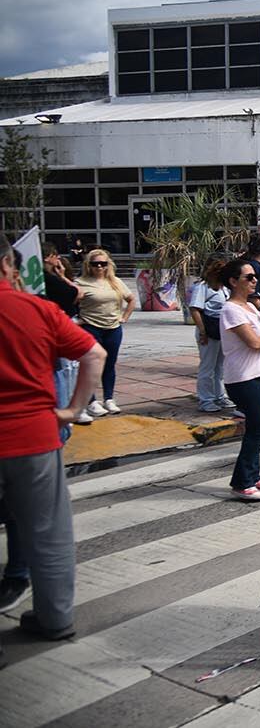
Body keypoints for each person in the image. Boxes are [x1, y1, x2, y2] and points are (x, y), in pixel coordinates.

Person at [0, 233, 107, 645]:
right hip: (34, 437)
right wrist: (72, 409)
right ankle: (55, 617)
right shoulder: (37, 309)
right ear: (9, 266)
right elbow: (94, 354)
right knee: (47, 533)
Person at [218, 259, 260, 501]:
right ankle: (241, 480)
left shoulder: (252, 308)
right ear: (233, 282)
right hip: (244, 378)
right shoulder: (230, 310)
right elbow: (254, 343)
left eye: (255, 276)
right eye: (248, 277)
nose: (254, 280)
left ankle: (253, 475)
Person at [75, 248, 135, 420]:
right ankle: (92, 400)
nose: (99, 267)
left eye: (103, 263)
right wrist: (77, 320)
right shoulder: (81, 282)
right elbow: (71, 302)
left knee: (110, 364)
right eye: (95, 264)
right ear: (89, 265)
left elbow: (130, 299)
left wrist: (124, 317)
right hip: (91, 327)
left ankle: (109, 398)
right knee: (90, 365)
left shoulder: (115, 281)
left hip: (113, 328)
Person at [189, 255, 237, 414]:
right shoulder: (202, 287)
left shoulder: (224, 288)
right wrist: (203, 331)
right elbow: (195, 309)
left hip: (222, 329)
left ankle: (219, 395)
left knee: (220, 366)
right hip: (209, 329)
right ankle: (206, 399)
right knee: (207, 366)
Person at [41, 241, 80, 317]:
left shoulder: (44, 276)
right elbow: (79, 293)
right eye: (55, 254)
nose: (58, 257)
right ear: (46, 258)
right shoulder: (51, 280)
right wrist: (63, 277)